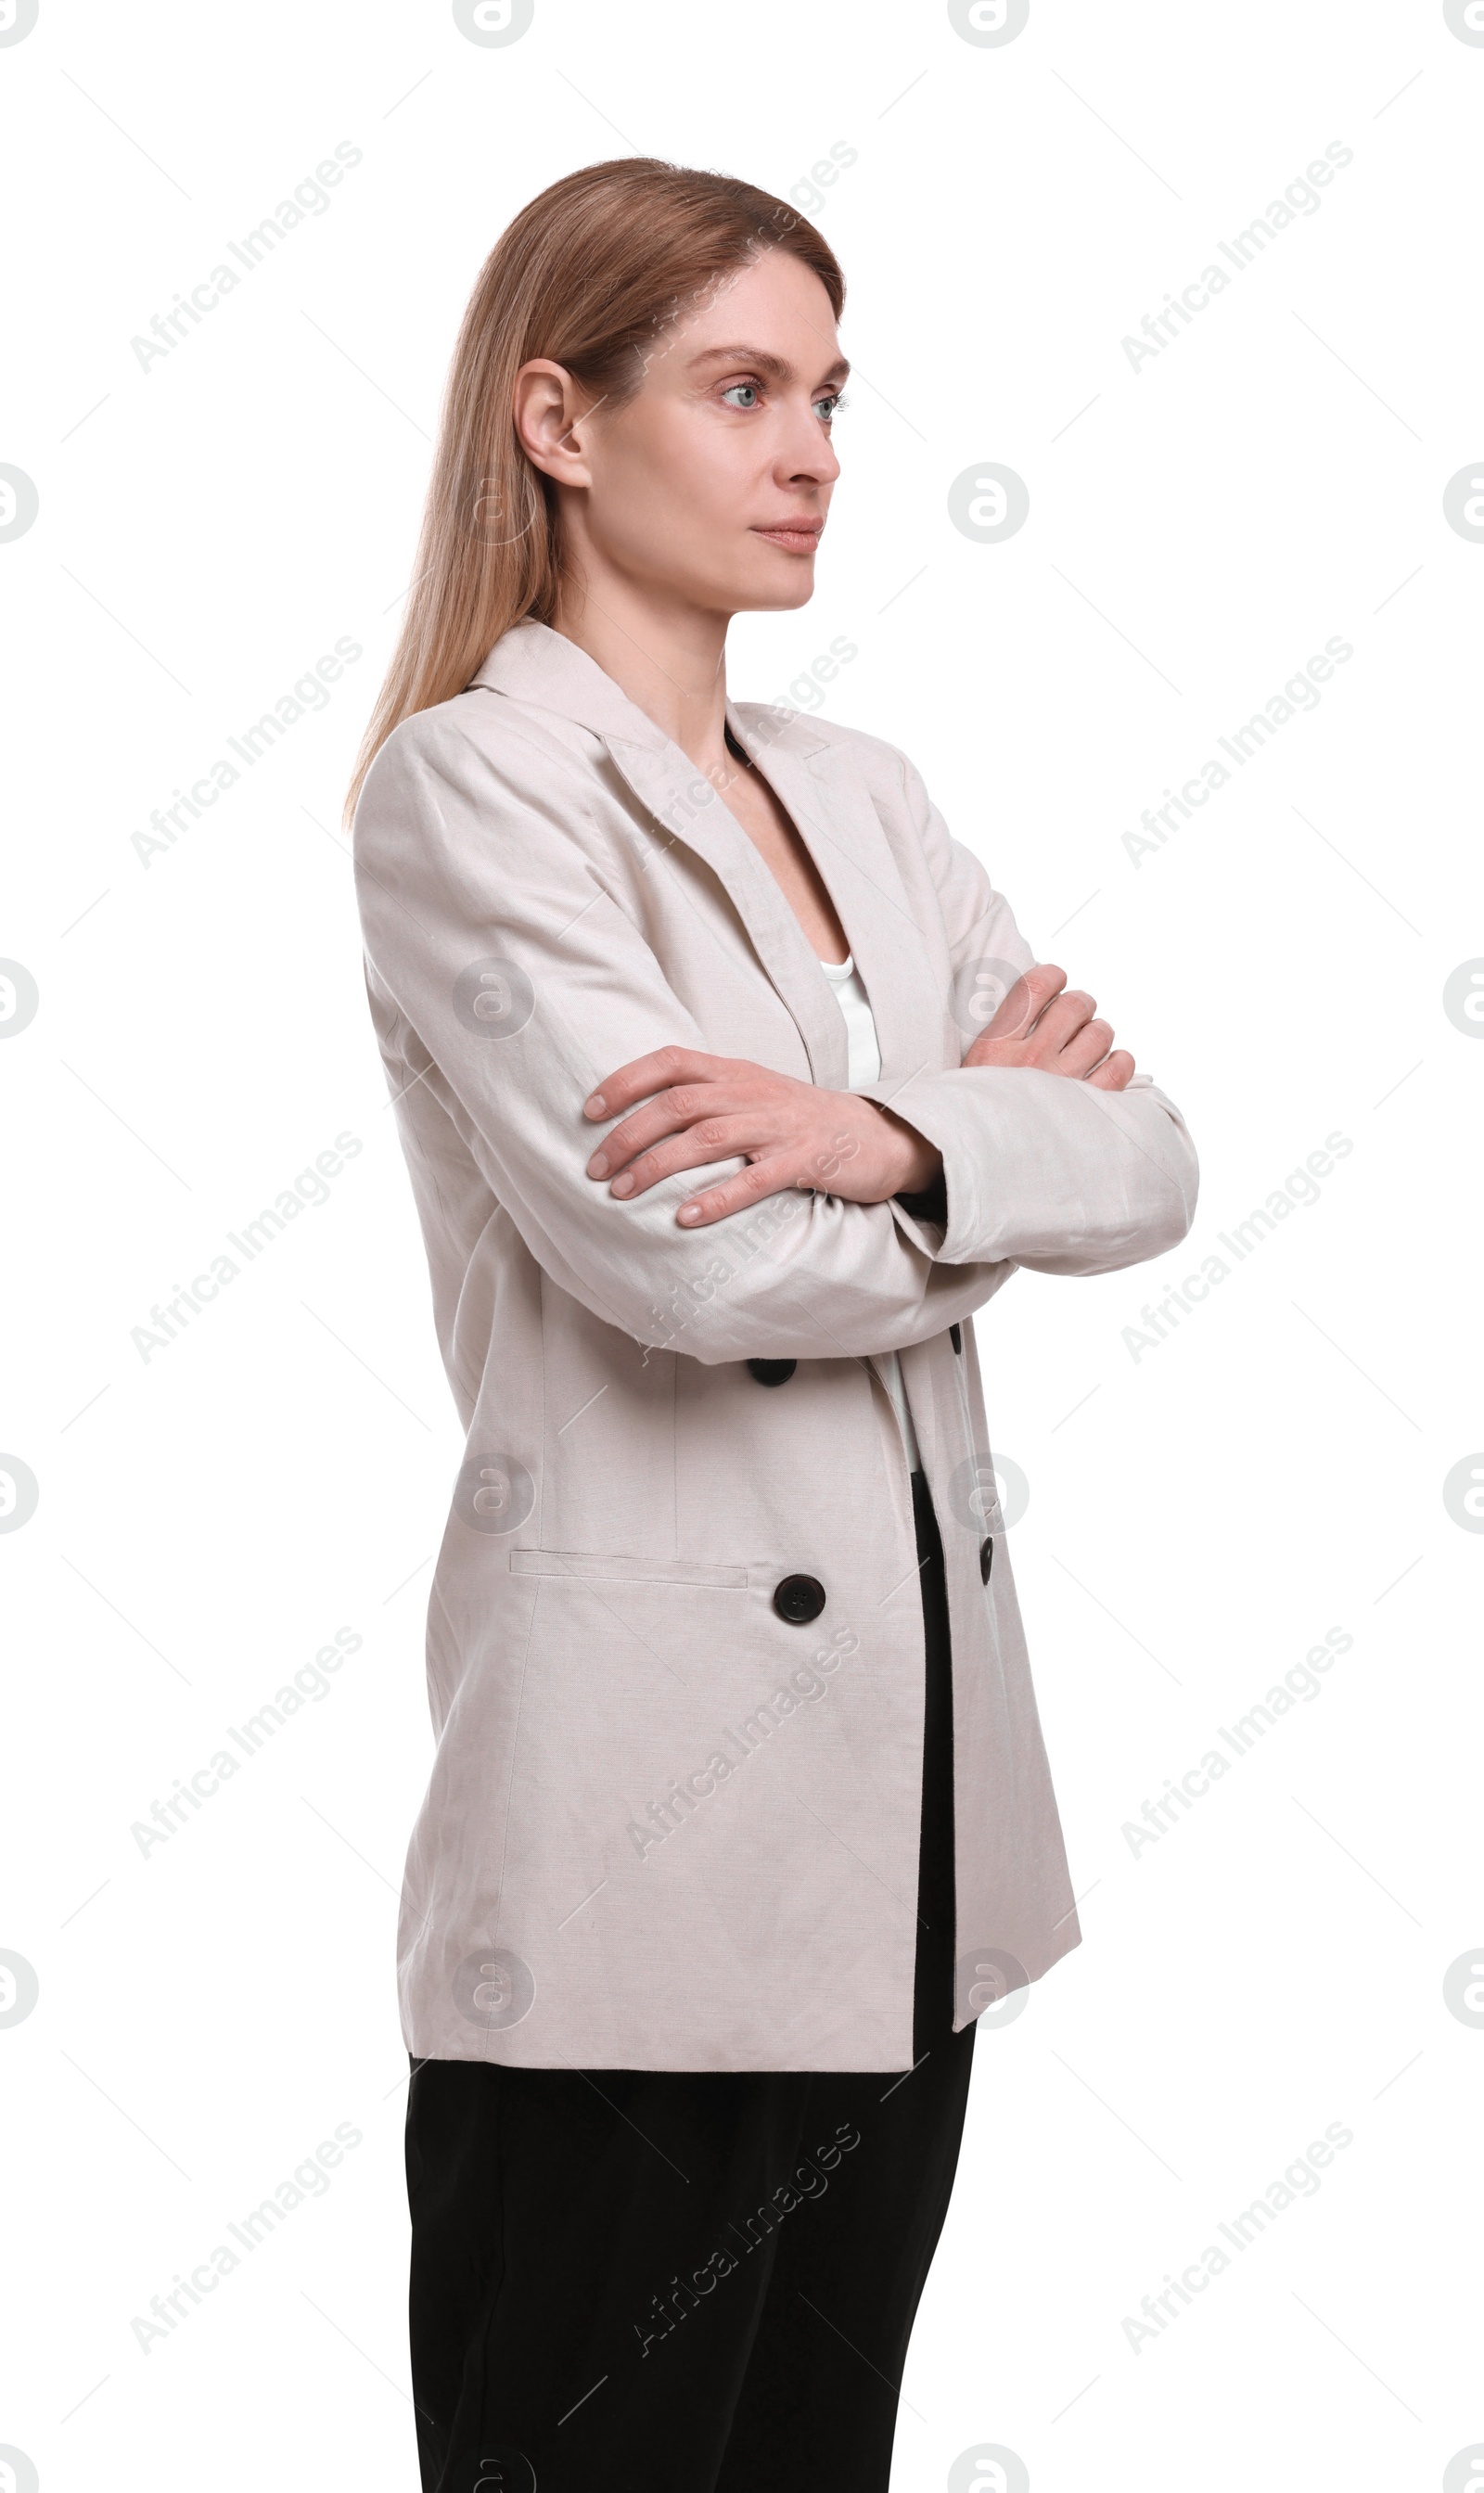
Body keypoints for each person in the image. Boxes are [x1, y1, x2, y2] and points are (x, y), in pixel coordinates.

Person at [347, 155, 1197, 2493]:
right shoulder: (472, 789)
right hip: (630, 1869)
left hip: (906, 1845)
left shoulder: (859, 787)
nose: (812, 449)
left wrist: (878, 1143)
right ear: (555, 416)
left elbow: (1148, 1157)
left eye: (826, 392)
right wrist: (965, 1133)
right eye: (737, 389)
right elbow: (688, 1263)